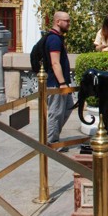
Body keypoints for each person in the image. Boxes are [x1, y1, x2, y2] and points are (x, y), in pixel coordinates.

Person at [45, 11, 74, 145]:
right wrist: (62, 83)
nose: (69, 23)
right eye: (66, 21)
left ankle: (53, 136)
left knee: (68, 107)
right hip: (56, 83)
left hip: (62, 82)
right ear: (58, 22)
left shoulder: (58, 38)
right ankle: (51, 143)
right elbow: (55, 63)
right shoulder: (54, 39)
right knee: (55, 113)